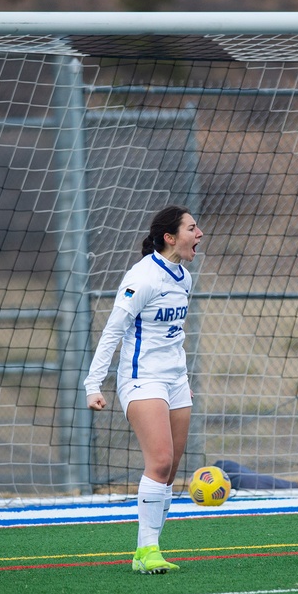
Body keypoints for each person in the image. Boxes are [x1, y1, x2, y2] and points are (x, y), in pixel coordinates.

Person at [84, 205, 203, 574]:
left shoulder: (182, 275)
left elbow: (174, 338)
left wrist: (182, 382)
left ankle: (144, 550)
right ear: (170, 237)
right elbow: (113, 331)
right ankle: (149, 550)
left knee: (170, 472)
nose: (199, 234)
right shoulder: (143, 276)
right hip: (141, 377)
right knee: (161, 461)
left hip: (175, 381)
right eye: (192, 228)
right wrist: (93, 384)